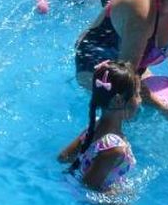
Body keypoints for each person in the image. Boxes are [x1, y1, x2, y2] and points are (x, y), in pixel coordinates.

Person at [57, 60, 140, 193]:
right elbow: (88, 188)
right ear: (118, 101)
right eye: (137, 94)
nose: (140, 100)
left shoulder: (94, 125)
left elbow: (63, 157)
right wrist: (116, 200)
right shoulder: (114, 148)